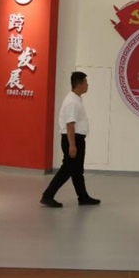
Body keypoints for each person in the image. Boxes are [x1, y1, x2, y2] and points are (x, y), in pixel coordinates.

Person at [40, 71, 100, 207]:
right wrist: (72, 145)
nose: (87, 85)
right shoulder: (72, 102)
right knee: (67, 169)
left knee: (77, 171)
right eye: (85, 82)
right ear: (79, 85)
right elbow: (70, 125)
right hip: (73, 139)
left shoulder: (75, 99)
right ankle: (47, 196)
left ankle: (83, 197)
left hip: (75, 139)